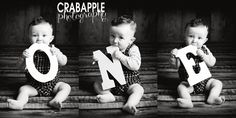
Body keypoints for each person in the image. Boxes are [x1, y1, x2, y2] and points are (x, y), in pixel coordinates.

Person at [7, 16, 71, 110]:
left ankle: (56, 100)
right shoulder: (29, 52)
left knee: (66, 87)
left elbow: (64, 62)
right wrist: (23, 58)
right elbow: (19, 67)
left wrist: (58, 55)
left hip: (53, 84)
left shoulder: (54, 50)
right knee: (23, 89)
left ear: (51, 38)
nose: (39, 39)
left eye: (44, 35)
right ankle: (20, 103)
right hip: (34, 85)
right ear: (29, 38)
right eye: (35, 35)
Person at [93, 15, 144, 114]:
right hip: (113, 82)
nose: (115, 41)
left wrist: (121, 56)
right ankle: (108, 95)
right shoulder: (110, 49)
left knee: (138, 90)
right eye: (112, 36)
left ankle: (129, 104)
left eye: (121, 37)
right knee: (97, 83)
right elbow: (105, 65)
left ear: (131, 40)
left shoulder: (133, 49)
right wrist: (98, 59)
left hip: (130, 81)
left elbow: (135, 65)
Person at [169, 18, 225, 108]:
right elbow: (176, 66)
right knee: (181, 87)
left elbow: (212, 63)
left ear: (205, 40)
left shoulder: (204, 49)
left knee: (217, 83)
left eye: (199, 38)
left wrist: (203, 56)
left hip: (205, 81)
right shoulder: (181, 50)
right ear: (184, 36)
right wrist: (173, 57)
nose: (194, 40)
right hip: (189, 83)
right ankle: (187, 101)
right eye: (191, 36)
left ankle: (212, 97)